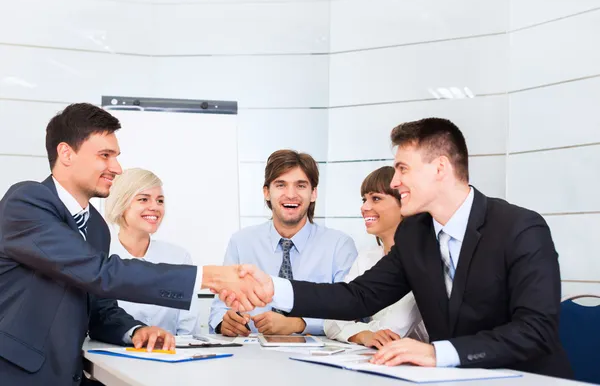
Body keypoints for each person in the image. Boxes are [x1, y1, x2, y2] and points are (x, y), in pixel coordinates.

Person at [221, 117, 573, 379]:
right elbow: (357, 297)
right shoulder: (416, 235)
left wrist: (438, 353)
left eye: (402, 169)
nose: (394, 182)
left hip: (526, 379)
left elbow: (535, 330)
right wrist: (274, 288)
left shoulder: (520, 228)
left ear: (439, 168)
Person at [0, 103, 269, 385]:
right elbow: (98, 272)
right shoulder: (27, 202)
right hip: (17, 375)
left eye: (116, 156)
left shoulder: (96, 227)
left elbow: (101, 308)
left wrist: (135, 330)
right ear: (66, 153)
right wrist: (209, 277)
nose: (116, 168)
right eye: (105, 155)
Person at [209, 149, 357, 336]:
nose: (291, 194)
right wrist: (225, 322)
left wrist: (299, 324)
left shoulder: (339, 246)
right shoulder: (241, 242)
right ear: (266, 193)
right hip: (252, 356)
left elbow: (352, 312)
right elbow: (218, 311)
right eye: (281, 185)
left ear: (313, 193)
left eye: (301, 186)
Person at [324, 166, 427, 348]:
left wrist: (355, 330)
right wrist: (363, 335)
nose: (364, 207)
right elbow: (331, 321)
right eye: (364, 199)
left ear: (404, 204)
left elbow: (393, 330)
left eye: (376, 198)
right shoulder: (366, 257)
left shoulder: (421, 260)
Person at [105, 168, 200, 335]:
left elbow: (189, 327)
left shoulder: (178, 257)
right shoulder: (101, 258)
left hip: (170, 356)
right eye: (143, 199)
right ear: (121, 204)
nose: (155, 207)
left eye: (160, 201)